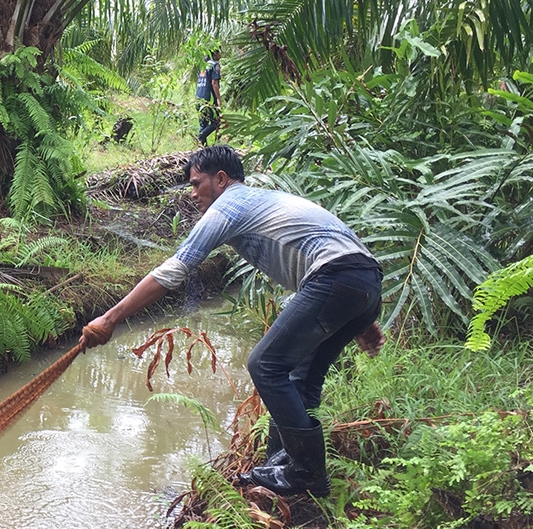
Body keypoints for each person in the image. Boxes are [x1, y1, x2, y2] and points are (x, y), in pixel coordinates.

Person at [79, 146, 384, 497]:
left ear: (221, 179)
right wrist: (361, 314)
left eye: (196, 184)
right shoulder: (261, 201)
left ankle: (307, 473)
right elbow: (346, 254)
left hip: (336, 278)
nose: (193, 195)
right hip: (361, 281)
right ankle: (281, 467)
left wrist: (110, 318)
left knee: (265, 364)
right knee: (301, 375)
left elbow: (175, 270)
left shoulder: (229, 205)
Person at [195, 50, 221, 145]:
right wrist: (218, 98)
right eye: (219, 52)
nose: (221, 55)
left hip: (198, 97)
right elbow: (214, 83)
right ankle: (200, 137)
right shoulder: (215, 65)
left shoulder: (204, 65)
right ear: (215, 54)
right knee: (216, 122)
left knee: (203, 124)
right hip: (208, 99)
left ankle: (203, 148)